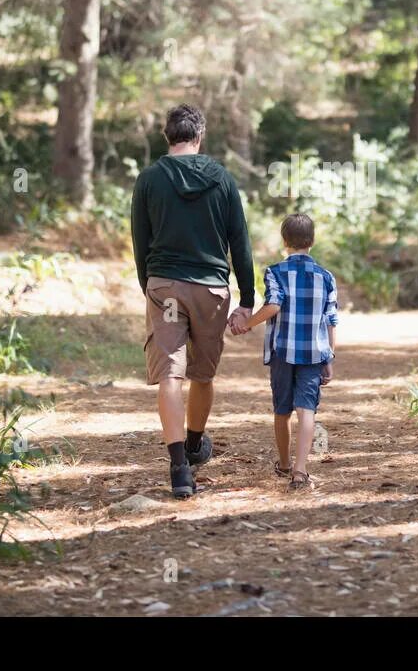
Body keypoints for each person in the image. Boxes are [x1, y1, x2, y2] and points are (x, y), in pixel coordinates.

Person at [131, 105, 254, 498]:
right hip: (210, 290)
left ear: (167, 137)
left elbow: (141, 242)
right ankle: (196, 442)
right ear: (199, 137)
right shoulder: (221, 178)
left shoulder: (149, 179)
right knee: (202, 373)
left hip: (166, 287)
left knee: (170, 374)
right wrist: (248, 299)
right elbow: (240, 242)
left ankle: (179, 467)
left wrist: (149, 286)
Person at [235, 213, 338, 491]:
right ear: (312, 241)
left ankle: (283, 463)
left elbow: (274, 305)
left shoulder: (275, 272)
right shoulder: (326, 277)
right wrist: (329, 357)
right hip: (314, 354)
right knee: (307, 411)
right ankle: (300, 471)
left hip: (282, 351)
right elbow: (330, 320)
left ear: (284, 241)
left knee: (282, 410)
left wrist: (247, 323)